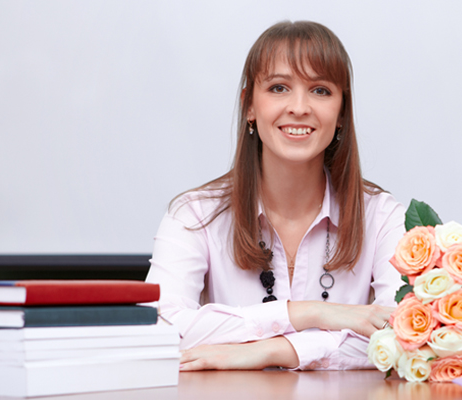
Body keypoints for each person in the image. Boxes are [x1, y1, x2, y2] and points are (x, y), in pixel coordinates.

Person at [145, 20, 405, 371]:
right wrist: (311, 313)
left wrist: (273, 350)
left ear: (342, 112)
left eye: (321, 90)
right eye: (279, 88)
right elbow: (160, 328)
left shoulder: (382, 215)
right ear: (249, 106)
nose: (299, 107)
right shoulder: (194, 215)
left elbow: (404, 334)